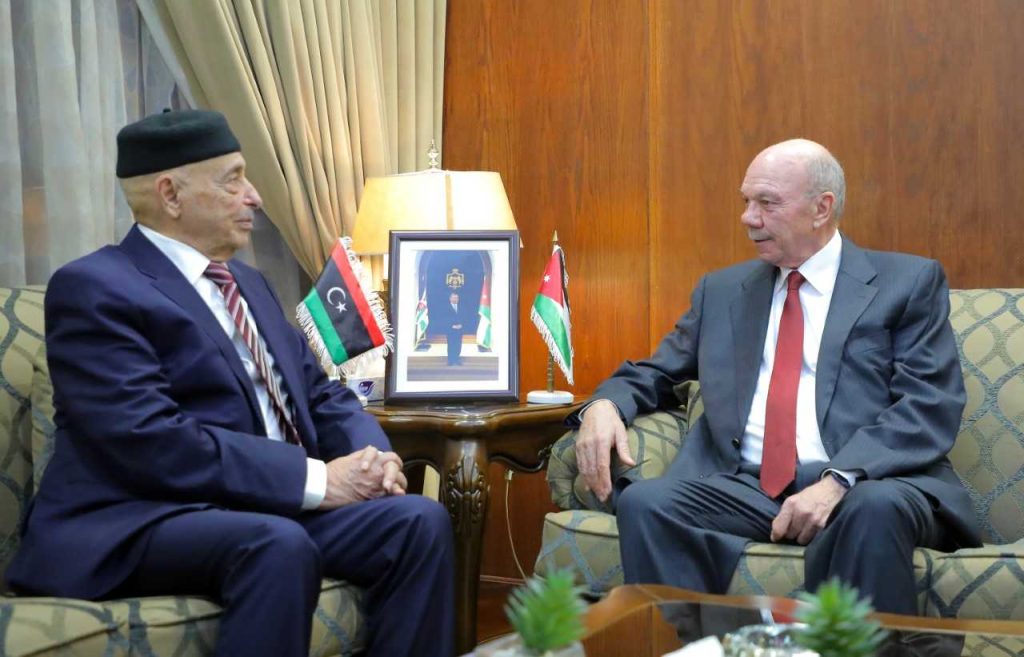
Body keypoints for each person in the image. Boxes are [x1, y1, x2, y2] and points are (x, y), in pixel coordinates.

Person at [6, 110, 454, 657]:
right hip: (142, 518)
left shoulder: (248, 283)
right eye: (233, 180)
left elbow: (319, 393)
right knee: (276, 544)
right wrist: (318, 480)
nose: (255, 197)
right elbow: (152, 441)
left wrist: (373, 458)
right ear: (171, 195)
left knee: (418, 521)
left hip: (262, 509)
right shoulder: (95, 288)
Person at [573, 139, 981, 614]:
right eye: (747, 201)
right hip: (745, 485)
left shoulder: (906, 283)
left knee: (872, 508)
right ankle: (689, 644)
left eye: (767, 203)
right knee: (646, 502)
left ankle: (860, 646)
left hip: (870, 482)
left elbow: (929, 404)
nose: (748, 217)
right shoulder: (723, 291)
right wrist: (604, 405)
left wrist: (838, 480)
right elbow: (656, 372)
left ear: (821, 208)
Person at [442, 291, 471, 366]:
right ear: (450, 298)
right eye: (454, 297)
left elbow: (465, 317)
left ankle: (457, 359)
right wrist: (451, 326)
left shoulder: (462, 307)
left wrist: (461, 325)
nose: (455, 299)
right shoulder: (445, 307)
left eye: (457, 298)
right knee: (451, 345)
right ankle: (450, 360)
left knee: (458, 345)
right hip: (450, 329)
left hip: (459, 329)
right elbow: (444, 319)